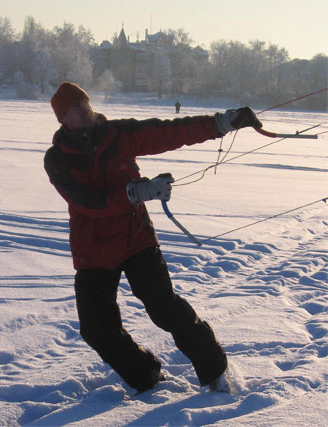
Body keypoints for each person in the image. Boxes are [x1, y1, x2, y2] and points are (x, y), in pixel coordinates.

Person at [44, 82, 262, 393]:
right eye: (75, 109)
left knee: (164, 308)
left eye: (85, 103)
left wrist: (221, 123)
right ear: (63, 119)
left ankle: (216, 370)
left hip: (136, 240)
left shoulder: (117, 134)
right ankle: (148, 379)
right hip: (92, 253)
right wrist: (136, 192)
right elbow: (87, 202)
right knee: (95, 329)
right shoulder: (57, 159)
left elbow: (168, 132)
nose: (84, 110)